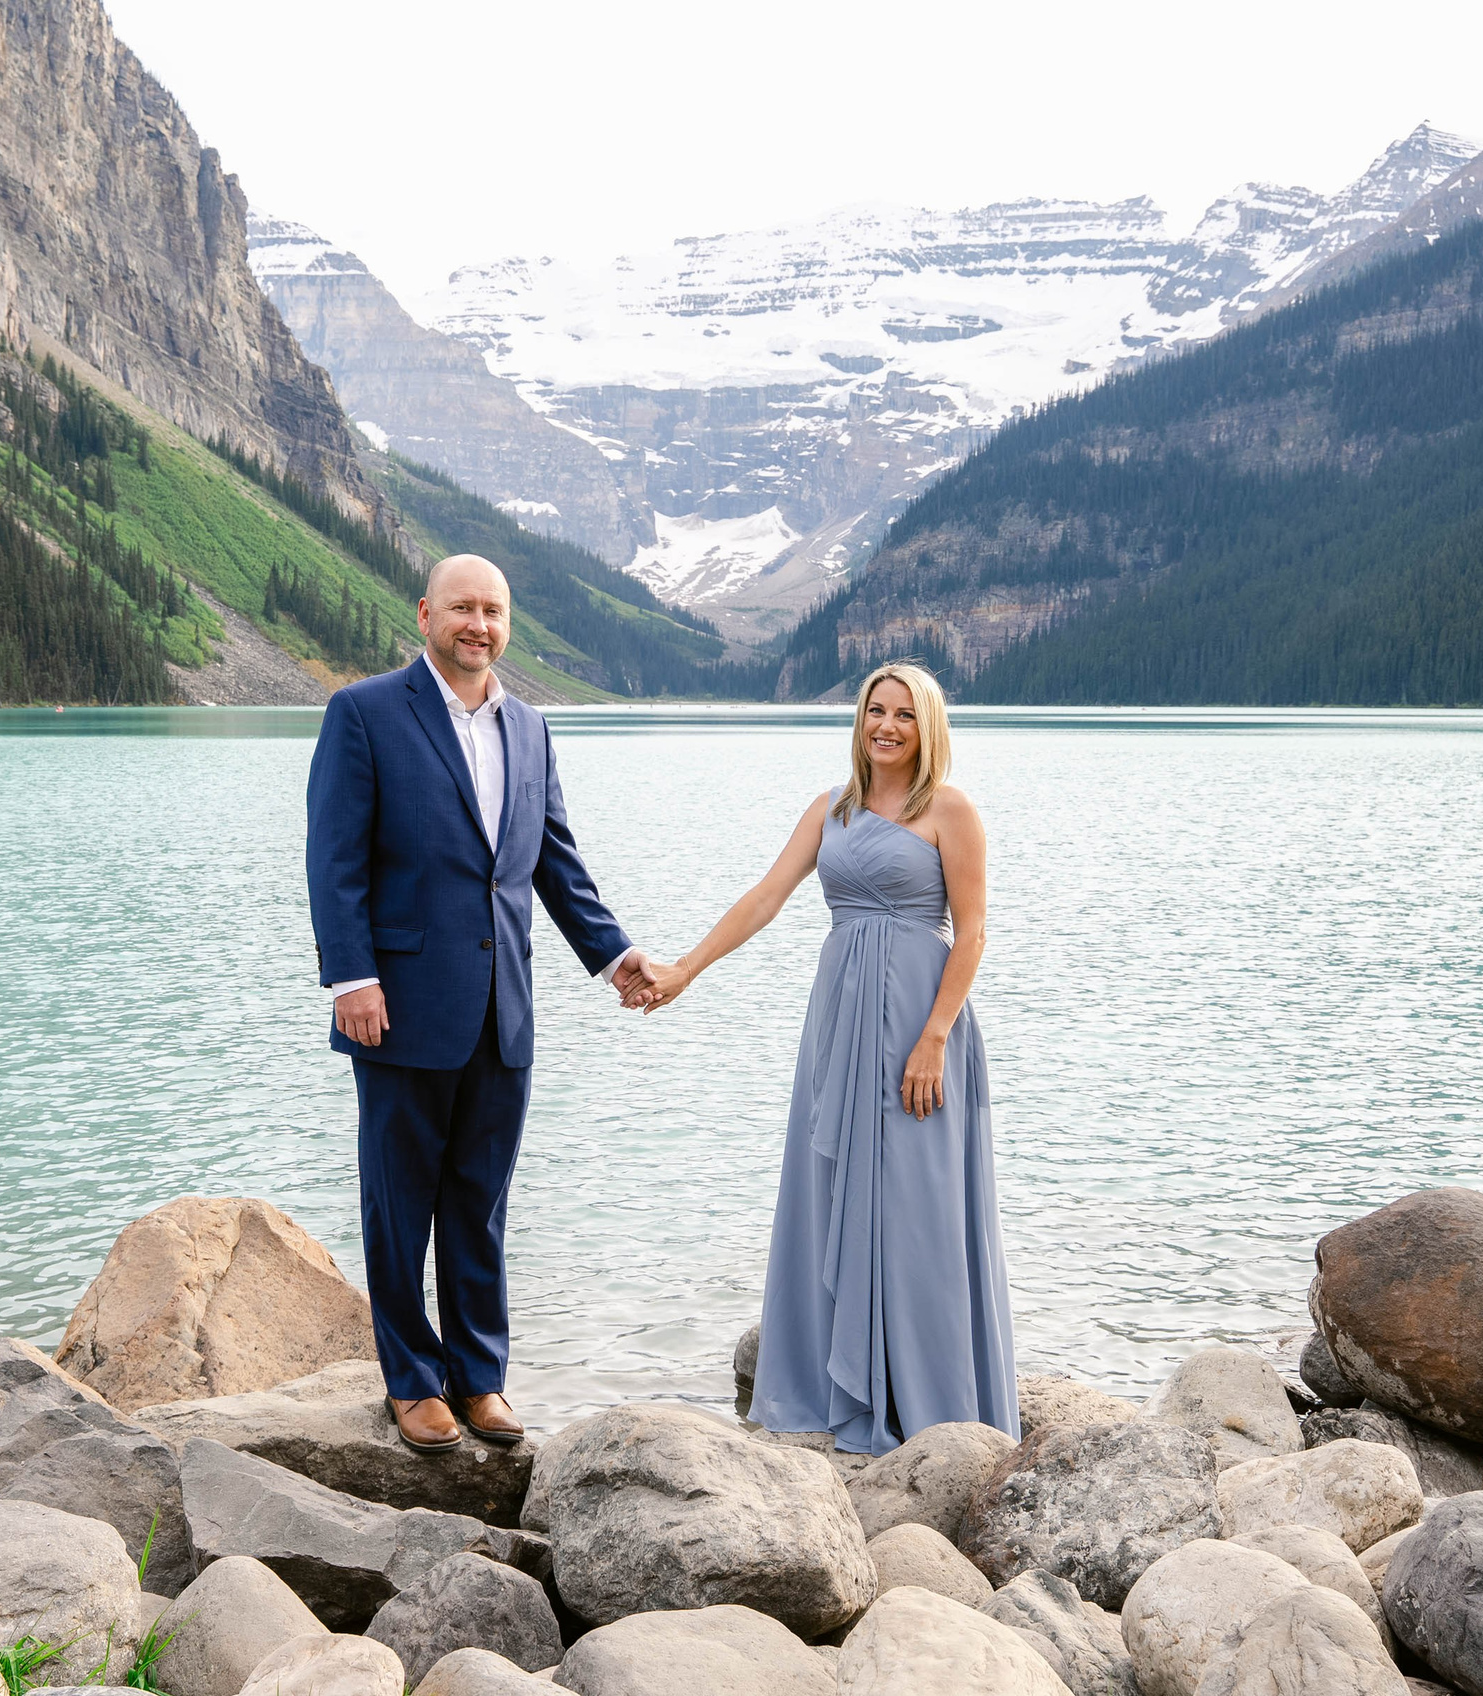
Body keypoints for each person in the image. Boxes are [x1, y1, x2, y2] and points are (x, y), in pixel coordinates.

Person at [305, 554, 655, 1453]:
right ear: (425, 613)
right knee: (399, 1200)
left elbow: (553, 861)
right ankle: (412, 1381)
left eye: (493, 611)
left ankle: (479, 1377)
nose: (479, 624)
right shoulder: (366, 712)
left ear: (508, 624)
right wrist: (352, 978)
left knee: (479, 1201)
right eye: (462, 607)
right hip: (398, 1003)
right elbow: (334, 856)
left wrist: (613, 953)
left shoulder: (530, 727)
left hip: (505, 1009)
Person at [630, 661, 1017, 1453]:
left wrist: (935, 1036)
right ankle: (837, 1383)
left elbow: (972, 932)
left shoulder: (950, 809)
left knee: (920, 1207)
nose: (886, 725)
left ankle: (933, 1401)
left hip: (920, 1022)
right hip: (839, 1026)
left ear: (928, 727)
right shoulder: (830, 809)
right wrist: (684, 968)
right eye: (876, 709)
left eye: (904, 714)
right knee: (831, 1185)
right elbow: (764, 899)